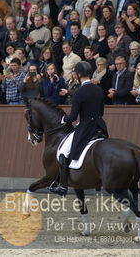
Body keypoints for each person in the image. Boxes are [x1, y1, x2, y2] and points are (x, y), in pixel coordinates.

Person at [48, 61, 108, 196]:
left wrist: (64, 119)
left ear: (79, 75)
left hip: (85, 128)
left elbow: (73, 117)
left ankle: (63, 187)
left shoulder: (79, 92)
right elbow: (101, 112)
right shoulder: (98, 89)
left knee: (63, 153)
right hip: (100, 126)